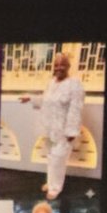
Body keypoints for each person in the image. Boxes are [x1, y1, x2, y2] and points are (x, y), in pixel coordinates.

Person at [34, 51, 86, 198]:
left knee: (58, 159)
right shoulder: (51, 83)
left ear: (68, 66)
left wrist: (72, 131)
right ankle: (51, 182)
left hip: (64, 131)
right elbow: (45, 101)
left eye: (62, 64)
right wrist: (30, 99)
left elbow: (76, 109)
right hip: (50, 129)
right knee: (51, 158)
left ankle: (55, 188)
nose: (58, 68)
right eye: (56, 65)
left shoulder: (74, 84)